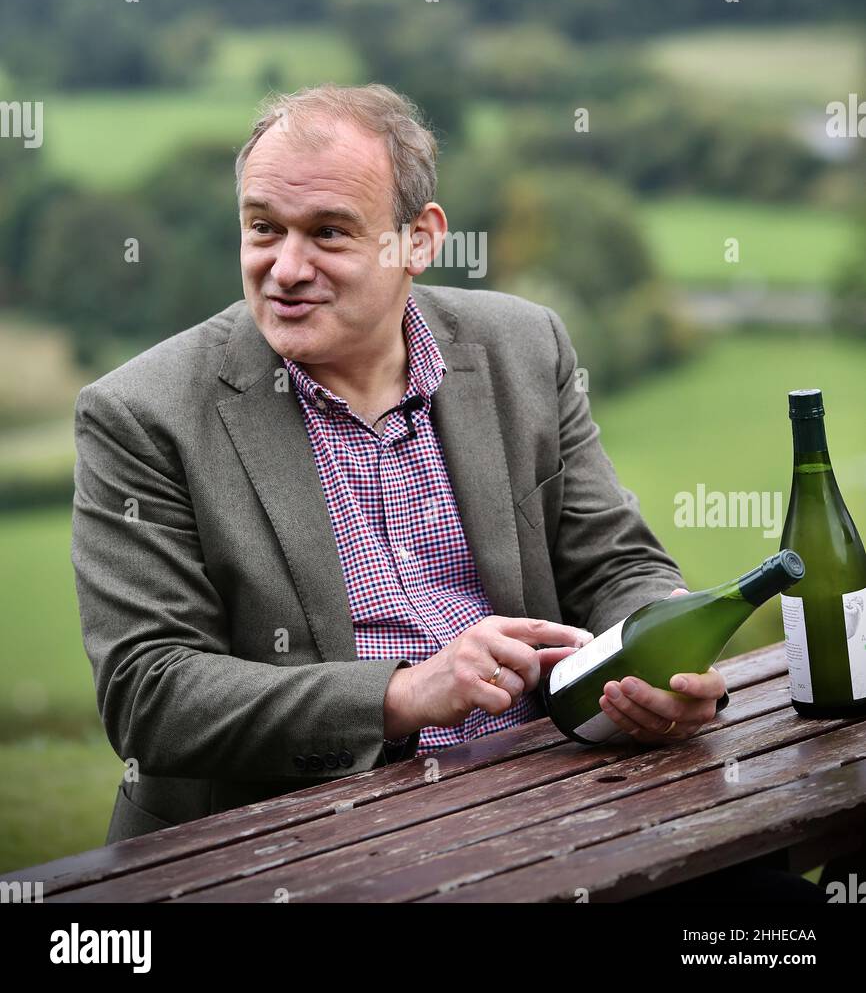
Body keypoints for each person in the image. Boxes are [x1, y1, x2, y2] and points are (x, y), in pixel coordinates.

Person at [73, 83, 733, 859]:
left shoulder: (524, 348)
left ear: (418, 240)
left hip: (549, 798)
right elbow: (150, 692)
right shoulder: (140, 414)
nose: (286, 268)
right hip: (292, 847)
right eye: (263, 229)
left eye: (328, 233)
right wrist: (402, 694)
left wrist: (664, 654)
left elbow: (616, 563)